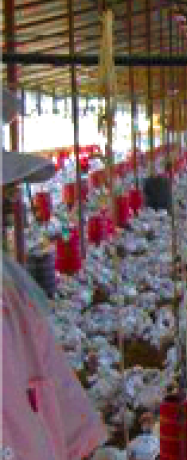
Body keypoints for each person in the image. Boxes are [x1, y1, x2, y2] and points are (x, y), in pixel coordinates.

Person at [0, 88, 107, 459]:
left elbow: (51, 386)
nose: (9, 208)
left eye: (9, 194)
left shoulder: (11, 289)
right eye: (2, 194)